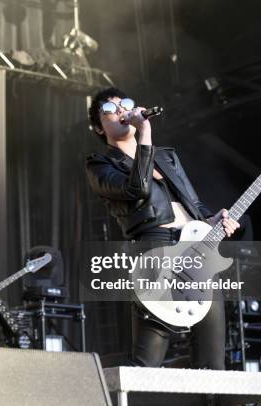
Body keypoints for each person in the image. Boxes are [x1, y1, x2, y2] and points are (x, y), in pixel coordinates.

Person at [85, 87, 239, 369]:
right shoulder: (100, 165)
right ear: (98, 126)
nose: (120, 110)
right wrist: (145, 133)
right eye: (109, 109)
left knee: (213, 361)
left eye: (125, 104)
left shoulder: (166, 157)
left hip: (195, 254)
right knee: (147, 362)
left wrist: (214, 219)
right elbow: (137, 188)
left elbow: (193, 203)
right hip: (154, 250)